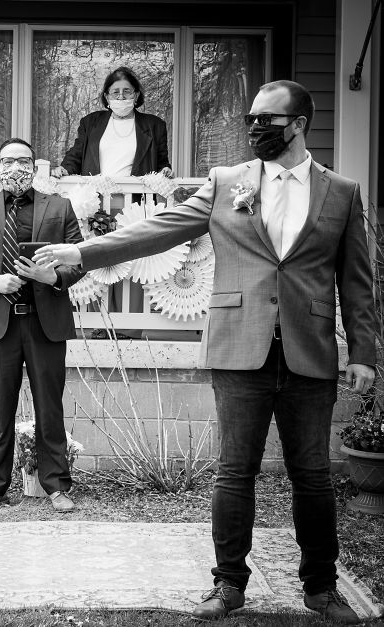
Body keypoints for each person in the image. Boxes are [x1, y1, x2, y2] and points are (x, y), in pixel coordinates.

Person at [35, 80, 375, 624]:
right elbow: (159, 231)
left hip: (309, 350)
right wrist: (82, 252)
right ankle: (229, 584)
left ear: (299, 124)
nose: (256, 129)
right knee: (234, 471)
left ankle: (321, 588)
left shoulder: (342, 191)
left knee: (312, 474)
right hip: (239, 346)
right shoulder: (226, 182)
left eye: (268, 120)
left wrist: (362, 352)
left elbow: (357, 281)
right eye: (251, 120)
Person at [0, 138, 85, 513]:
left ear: (34, 167)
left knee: (50, 407)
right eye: (8, 161)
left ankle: (56, 486)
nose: (16, 168)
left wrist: (51, 276)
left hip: (45, 322)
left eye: (24, 161)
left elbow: (79, 259)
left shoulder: (59, 207)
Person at [51, 66, 173, 338]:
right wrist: (64, 170)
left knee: (132, 261)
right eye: (115, 92)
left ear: (137, 95)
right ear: (106, 96)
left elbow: (162, 161)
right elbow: (76, 155)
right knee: (97, 262)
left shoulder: (154, 125)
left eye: (126, 91)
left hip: (133, 205)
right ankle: (99, 324)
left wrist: (165, 171)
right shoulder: (91, 122)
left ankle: (129, 327)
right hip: (96, 205)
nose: (121, 97)